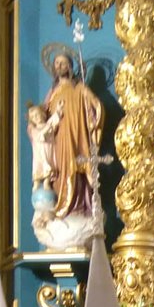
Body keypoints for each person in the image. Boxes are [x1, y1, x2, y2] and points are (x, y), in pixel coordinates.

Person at [42, 51, 104, 219]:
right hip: (58, 139)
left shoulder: (79, 88)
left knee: (76, 166)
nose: (59, 66)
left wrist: (93, 114)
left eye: (63, 63)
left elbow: (96, 106)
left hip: (76, 136)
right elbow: (42, 116)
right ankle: (60, 206)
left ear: (70, 67)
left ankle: (78, 206)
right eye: (56, 63)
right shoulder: (52, 93)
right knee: (59, 172)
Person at [26, 102, 61, 192]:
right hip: (38, 153)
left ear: (43, 114)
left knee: (47, 164)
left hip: (47, 151)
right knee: (38, 165)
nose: (36, 118)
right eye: (33, 117)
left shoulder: (48, 125)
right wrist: (45, 130)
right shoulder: (33, 129)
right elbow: (38, 136)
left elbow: (54, 120)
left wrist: (58, 109)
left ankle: (46, 182)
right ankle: (36, 182)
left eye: (37, 115)